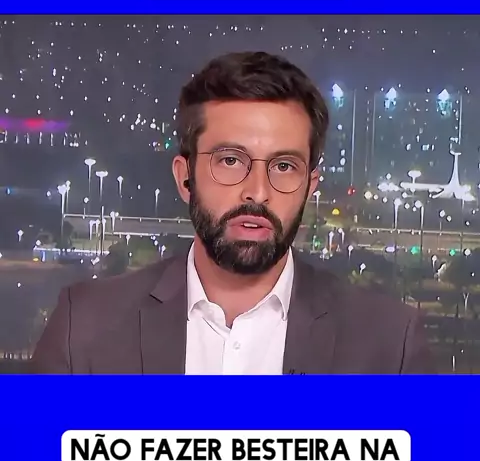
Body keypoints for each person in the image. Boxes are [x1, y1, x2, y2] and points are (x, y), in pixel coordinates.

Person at [32, 51, 434, 375]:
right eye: (229, 160)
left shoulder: (389, 346)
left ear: (310, 186)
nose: (257, 191)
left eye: (283, 166)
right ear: (185, 177)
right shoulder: (83, 326)